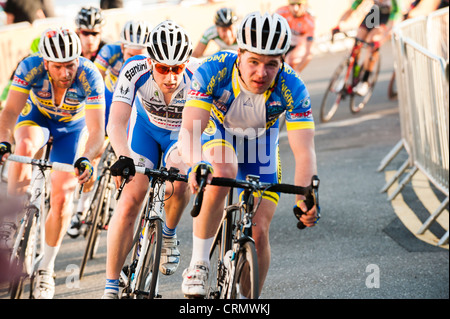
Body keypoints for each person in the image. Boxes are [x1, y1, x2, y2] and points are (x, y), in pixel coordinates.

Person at [179, 11, 319, 298]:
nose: (261, 73)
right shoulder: (214, 68)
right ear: (239, 54)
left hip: (261, 141)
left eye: (271, 65)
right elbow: (191, 130)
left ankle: (246, 300)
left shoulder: (293, 86)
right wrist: (195, 165)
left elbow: (304, 151)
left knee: (258, 231)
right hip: (218, 130)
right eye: (253, 62)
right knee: (223, 171)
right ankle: (199, 263)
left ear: (282, 61)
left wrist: (306, 197)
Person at [0, 27, 105, 298]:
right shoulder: (31, 67)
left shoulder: (89, 74)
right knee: (22, 146)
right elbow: (10, 111)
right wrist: (3, 142)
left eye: (71, 65)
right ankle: (10, 224)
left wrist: (86, 158)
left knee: (61, 198)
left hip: (72, 130)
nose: (66, 73)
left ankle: (46, 269)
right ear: (46, 63)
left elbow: (96, 131)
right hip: (38, 119)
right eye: (58, 67)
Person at [102, 20, 201, 299]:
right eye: (162, 68)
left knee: (180, 182)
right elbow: (117, 123)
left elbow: (208, 126)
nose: (171, 77)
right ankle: (110, 287)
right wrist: (123, 156)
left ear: (187, 62)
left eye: (177, 68)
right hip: (145, 132)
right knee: (130, 200)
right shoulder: (134, 69)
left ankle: (167, 235)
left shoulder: (198, 75)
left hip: (179, 136)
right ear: (150, 62)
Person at [66, 20, 152, 238]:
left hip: (133, 105)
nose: (135, 59)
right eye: (131, 53)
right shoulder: (109, 52)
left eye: (140, 54)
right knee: (94, 153)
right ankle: (81, 209)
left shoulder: (150, 63)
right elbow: (93, 78)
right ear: (122, 48)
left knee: (129, 151)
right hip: (109, 99)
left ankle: (116, 202)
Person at [333, 0, 402, 96]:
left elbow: (393, 22)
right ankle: (352, 76)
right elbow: (352, 8)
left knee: (372, 41)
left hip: (388, 18)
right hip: (375, 12)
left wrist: (380, 40)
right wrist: (339, 25)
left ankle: (365, 81)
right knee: (358, 41)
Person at [276, 0, 315, 73]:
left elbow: (309, 53)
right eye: (292, 5)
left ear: (305, 5)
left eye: (299, 4)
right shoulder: (281, 12)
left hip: (297, 46)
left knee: (289, 61)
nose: (295, 8)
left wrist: (297, 71)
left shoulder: (309, 20)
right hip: (282, 43)